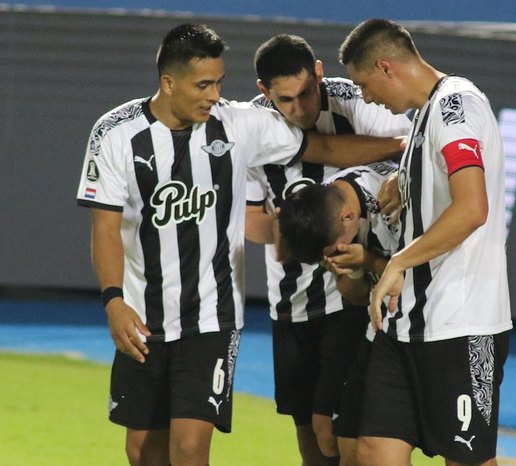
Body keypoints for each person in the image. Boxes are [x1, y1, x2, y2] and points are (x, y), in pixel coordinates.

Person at [76, 23, 404, 466]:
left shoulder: (239, 124)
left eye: (219, 82)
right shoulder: (114, 133)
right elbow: (105, 228)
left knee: (189, 447)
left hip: (212, 316)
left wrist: (406, 148)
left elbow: (325, 148)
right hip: (143, 314)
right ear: (169, 83)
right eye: (203, 85)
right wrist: (113, 300)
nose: (215, 95)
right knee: (142, 450)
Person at [338, 19, 513, 466]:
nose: (367, 97)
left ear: (386, 66)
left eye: (365, 84)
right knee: (372, 451)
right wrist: (404, 179)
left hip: (461, 323)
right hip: (405, 323)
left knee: (467, 460)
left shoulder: (456, 105)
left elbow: (472, 208)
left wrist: (398, 262)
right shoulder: (425, 117)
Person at [245, 34, 411, 465]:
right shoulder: (253, 128)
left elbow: (413, 149)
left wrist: (397, 177)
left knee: (337, 431)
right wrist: (300, 230)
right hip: (290, 301)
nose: (299, 108)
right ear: (264, 91)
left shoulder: (361, 104)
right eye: (286, 100)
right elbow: (251, 222)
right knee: (310, 440)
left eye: (306, 93)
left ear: (319, 72)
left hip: (352, 295)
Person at [277, 163, 400, 466]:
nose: (336, 252)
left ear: (347, 217)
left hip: (424, 330)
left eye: (335, 249)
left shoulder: (392, 201)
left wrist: (368, 261)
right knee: (339, 440)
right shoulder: (327, 206)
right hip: (376, 327)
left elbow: (423, 281)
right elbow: (355, 296)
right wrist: (355, 269)